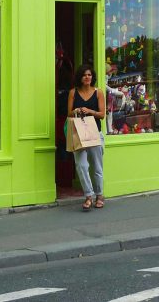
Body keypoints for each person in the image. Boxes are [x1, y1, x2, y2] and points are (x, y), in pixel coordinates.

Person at [66, 64, 106, 211]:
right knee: (82, 166)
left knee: (97, 166)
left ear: (92, 77)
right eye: (84, 75)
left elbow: (102, 115)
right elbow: (69, 114)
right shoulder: (73, 93)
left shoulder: (98, 93)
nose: (87, 77)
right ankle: (89, 195)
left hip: (95, 133)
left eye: (89, 75)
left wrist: (89, 111)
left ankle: (99, 195)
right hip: (78, 134)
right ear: (80, 78)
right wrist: (76, 110)